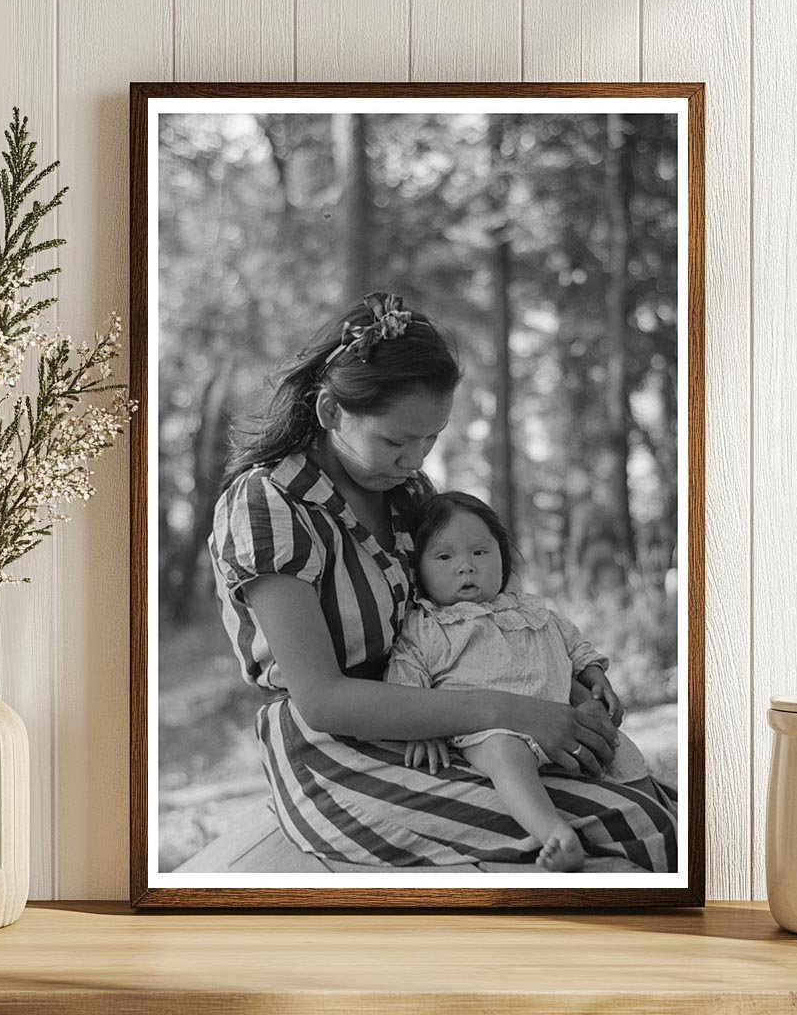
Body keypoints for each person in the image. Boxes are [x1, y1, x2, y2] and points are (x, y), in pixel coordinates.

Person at [208, 291, 676, 871]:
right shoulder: (269, 503)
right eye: (396, 440)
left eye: (431, 438)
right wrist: (514, 712)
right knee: (633, 823)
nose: (415, 458)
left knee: (654, 803)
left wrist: (565, 687)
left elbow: (473, 619)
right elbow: (324, 700)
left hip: (446, 723)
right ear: (331, 412)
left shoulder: (408, 497)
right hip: (336, 754)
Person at [386, 491, 669, 871]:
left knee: (618, 746)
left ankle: (659, 814)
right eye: (444, 556)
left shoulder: (532, 609)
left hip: (561, 721)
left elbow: (573, 645)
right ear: (419, 568)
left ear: (502, 556)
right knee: (506, 755)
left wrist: (594, 675)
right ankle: (554, 833)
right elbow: (405, 680)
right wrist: (422, 727)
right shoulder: (428, 626)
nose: (465, 567)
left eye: (480, 553)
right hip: (489, 732)